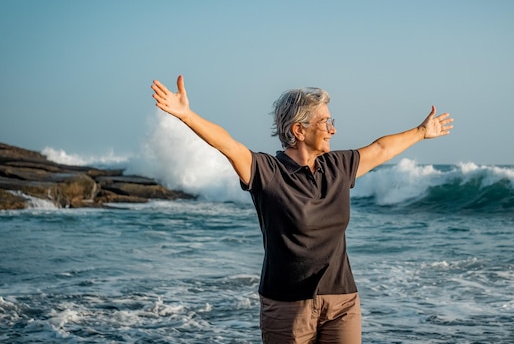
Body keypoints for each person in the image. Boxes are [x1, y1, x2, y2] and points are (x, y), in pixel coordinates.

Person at [151, 75, 454, 344]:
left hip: (342, 301)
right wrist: (186, 115)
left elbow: (381, 149)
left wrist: (421, 131)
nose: (332, 130)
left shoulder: (338, 167)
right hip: (287, 306)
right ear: (298, 129)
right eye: (325, 122)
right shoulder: (267, 172)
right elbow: (228, 145)